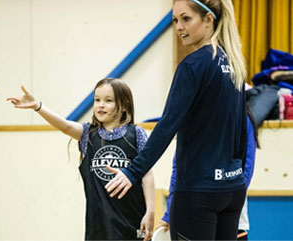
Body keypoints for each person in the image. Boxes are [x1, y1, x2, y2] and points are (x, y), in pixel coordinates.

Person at [105, 0, 248, 240]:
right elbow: (241, 131)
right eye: (175, 20)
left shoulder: (192, 65)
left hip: (198, 191)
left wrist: (133, 171)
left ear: (208, 19)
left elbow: (167, 125)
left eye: (186, 19)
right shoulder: (234, 64)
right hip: (232, 188)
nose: (179, 27)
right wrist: (236, 173)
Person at [6, 78, 155, 241]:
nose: (100, 105)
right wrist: (38, 107)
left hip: (133, 220)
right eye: (97, 100)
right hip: (99, 226)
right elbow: (65, 126)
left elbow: (147, 175)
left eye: (108, 100)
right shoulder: (87, 134)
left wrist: (151, 212)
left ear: (125, 105)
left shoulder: (136, 134)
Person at [158, 106, 260, 240]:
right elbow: (179, 168)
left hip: (233, 216)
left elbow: (247, 166)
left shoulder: (241, 117)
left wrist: (231, 194)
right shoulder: (193, 114)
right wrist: (169, 212)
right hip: (195, 210)